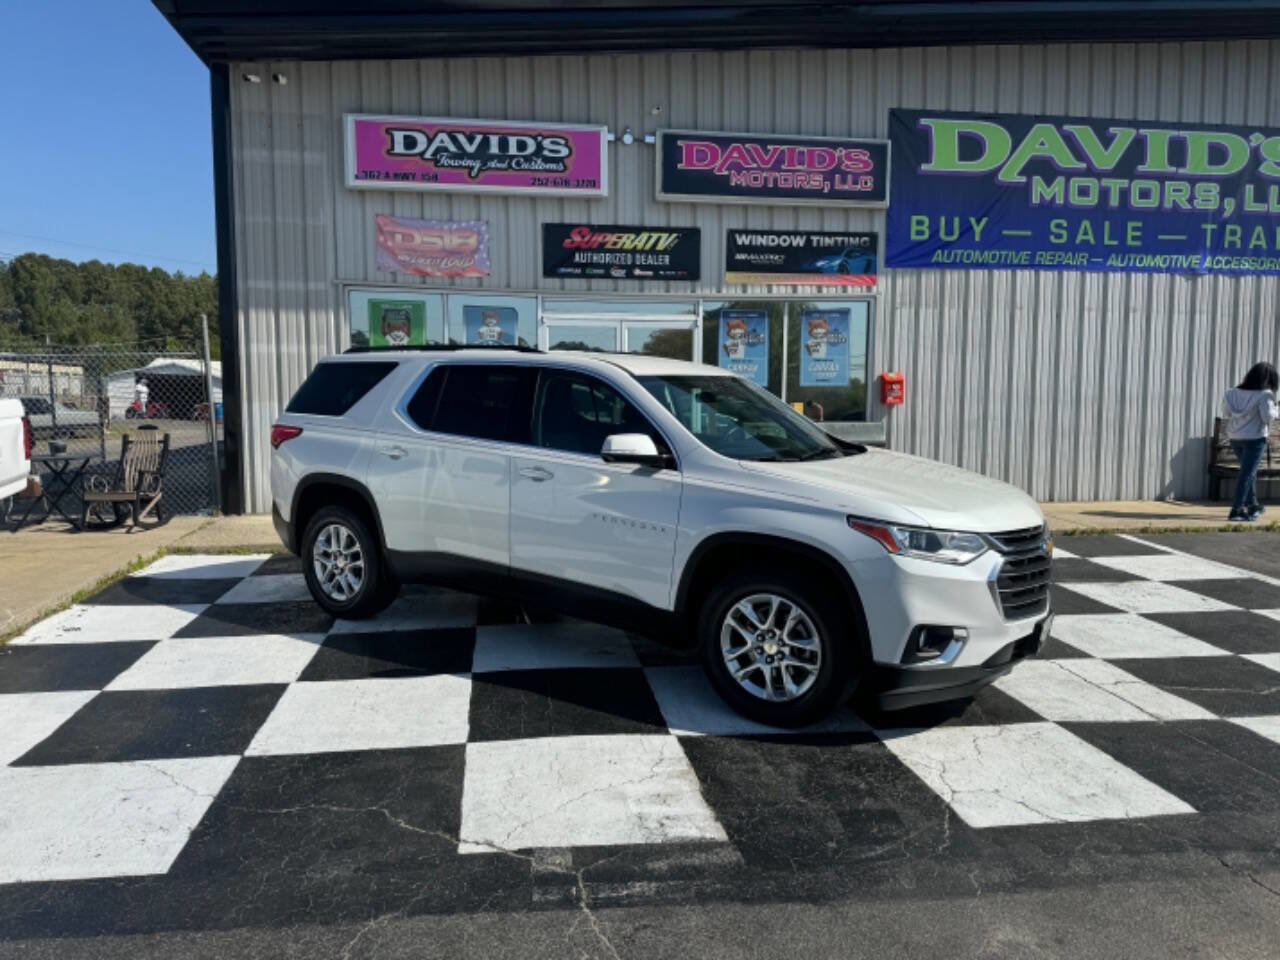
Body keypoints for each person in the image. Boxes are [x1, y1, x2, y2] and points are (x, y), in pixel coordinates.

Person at [1221, 361, 1279, 522]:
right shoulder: (1265, 394)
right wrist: (1276, 409)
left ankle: (1253, 505)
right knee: (1246, 474)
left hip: (1235, 437)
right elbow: (1267, 417)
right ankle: (1237, 510)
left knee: (1249, 473)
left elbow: (1226, 413)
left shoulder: (1231, 393)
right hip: (1255, 439)